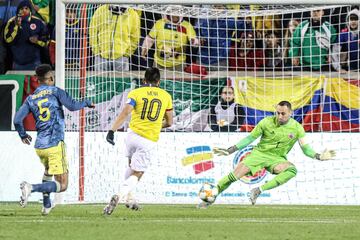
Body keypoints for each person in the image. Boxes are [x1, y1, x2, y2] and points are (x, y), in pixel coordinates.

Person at [201, 101, 336, 207]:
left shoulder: (297, 128)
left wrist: (318, 156)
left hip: (277, 159)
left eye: (283, 113)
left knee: (292, 170)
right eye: (277, 113)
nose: (279, 116)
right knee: (233, 177)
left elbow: (306, 149)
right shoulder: (266, 122)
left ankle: (258, 190)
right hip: (258, 155)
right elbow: (250, 138)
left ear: (290, 112)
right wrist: (230, 150)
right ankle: (211, 197)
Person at [13, 64, 94, 215]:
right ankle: (31, 188)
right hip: (55, 143)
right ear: (50, 78)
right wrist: (86, 103)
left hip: (40, 147)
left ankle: (46, 205)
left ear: (37, 80)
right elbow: (72, 106)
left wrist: (23, 135)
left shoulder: (31, 98)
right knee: (62, 185)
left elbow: (17, 120)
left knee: (48, 171)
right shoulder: (56, 91)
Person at [104, 67, 173, 215]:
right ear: (158, 82)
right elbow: (170, 122)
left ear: (144, 80)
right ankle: (119, 195)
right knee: (138, 172)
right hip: (148, 139)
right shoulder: (166, 96)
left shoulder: (135, 93)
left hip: (131, 136)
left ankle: (130, 199)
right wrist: (156, 125)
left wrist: (112, 131)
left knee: (131, 166)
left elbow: (125, 112)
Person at [141, 6, 199, 71]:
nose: (175, 13)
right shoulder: (159, 23)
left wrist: (195, 42)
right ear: (168, 12)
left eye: (177, 11)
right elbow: (150, 39)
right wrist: (144, 49)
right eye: (172, 11)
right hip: (158, 63)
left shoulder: (187, 26)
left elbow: (193, 39)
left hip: (178, 65)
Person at [89, 4, 140, 71]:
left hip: (121, 59)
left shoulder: (133, 15)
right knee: (100, 81)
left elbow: (135, 38)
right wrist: (97, 52)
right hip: (101, 57)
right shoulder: (100, 11)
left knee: (121, 81)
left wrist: (126, 54)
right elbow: (93, 32)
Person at [3, 0, 48, 70]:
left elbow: (46, 41)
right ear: (18, 10)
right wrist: (16, 26)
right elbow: (7, 40)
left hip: (35, 62)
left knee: (34, 81)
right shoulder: (11, 22)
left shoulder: (38, 22)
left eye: (26, 8)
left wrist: (37, 41)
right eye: (21, 9)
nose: (24, 10)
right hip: (17, 62)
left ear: (30, 9)